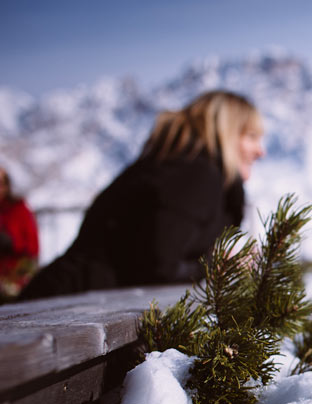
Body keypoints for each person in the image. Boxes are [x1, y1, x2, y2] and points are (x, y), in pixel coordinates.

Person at [20, 90, 265, 299]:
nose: (260, 150)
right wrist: (220, 268)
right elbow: (159, 267)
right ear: (225, 133)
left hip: (76, 300)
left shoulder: (179, 167)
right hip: (68, 308)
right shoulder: (194, 175)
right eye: (251, 137)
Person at [0, 166, 40, 300]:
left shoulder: (18, 209)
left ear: (6, 186)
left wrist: (11, 243)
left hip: (15, 276)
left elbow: (33, 247)